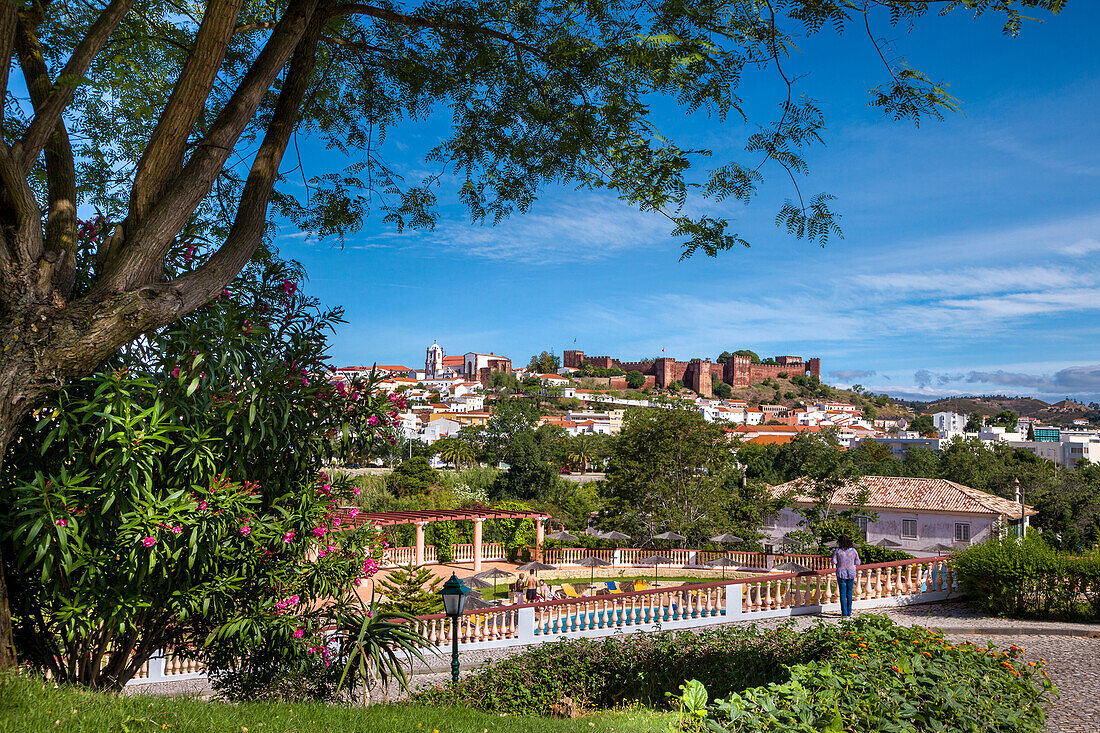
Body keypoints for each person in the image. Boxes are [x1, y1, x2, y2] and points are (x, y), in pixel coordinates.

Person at [831, 535, 861, 617]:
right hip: (851, 573)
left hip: (841, 573)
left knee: (843, 594)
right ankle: (849, 612)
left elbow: (834, 561)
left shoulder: (838, 551)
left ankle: (844, 613)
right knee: (849, 593)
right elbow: (858, 562)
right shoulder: (854, 551)